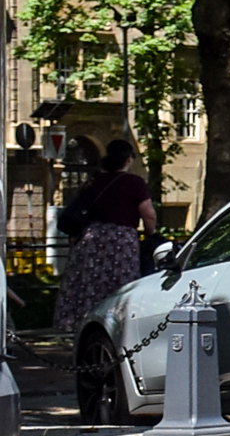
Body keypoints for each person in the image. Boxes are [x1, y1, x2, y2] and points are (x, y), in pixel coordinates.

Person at [54, 139, 158, 331]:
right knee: (121, 284)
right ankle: (118, 324)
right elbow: (148, 213)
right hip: (121, 241)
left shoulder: (94, 181)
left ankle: (81, 324)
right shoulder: (135, 182)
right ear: (128, 159)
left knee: (88, 283)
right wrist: (152, 234)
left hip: (91, 240)